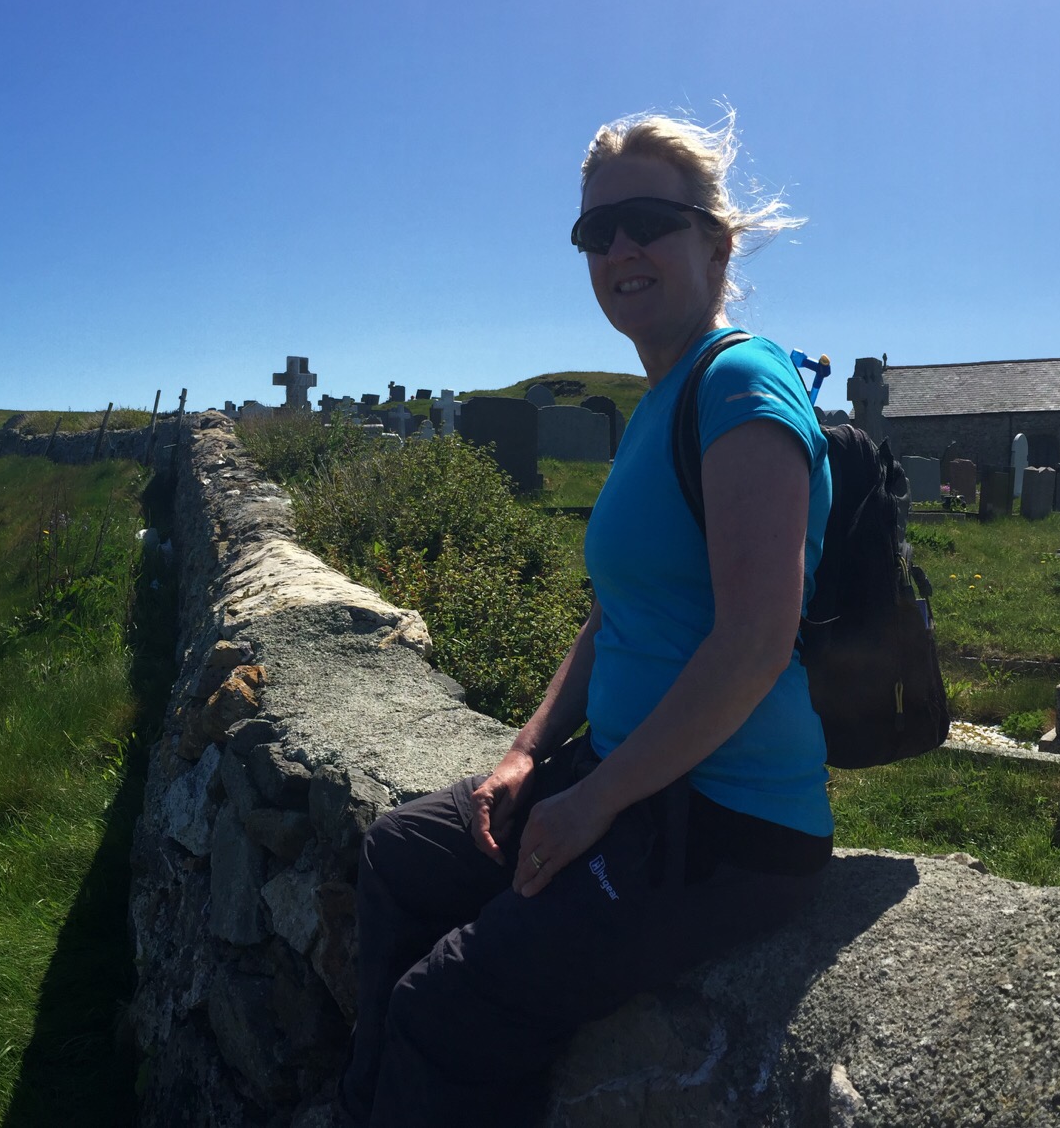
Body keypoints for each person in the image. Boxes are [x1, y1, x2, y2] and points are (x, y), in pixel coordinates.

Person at [341, 112, 832, 1125]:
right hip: (632, 782)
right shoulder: (657, 403)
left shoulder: (740, 383)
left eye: (646, 221)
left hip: (731, 823)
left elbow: (752, 640)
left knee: (449, 1004)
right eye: (593, 234)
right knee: (400, 852)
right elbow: (611, 620)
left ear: (715, 240)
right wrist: (527, 754)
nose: (618, 250)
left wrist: (595, 797)